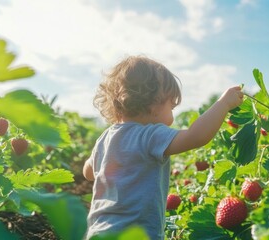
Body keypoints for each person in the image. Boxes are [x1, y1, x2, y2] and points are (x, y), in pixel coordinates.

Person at [82, 56, 243, 240]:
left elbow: (88, 172)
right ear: (153, 104)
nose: (172, 114)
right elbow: (196, 136)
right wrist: (224, 104)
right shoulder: (150, 135)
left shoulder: (105, 138)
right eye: (171, 106)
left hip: (98, 231)